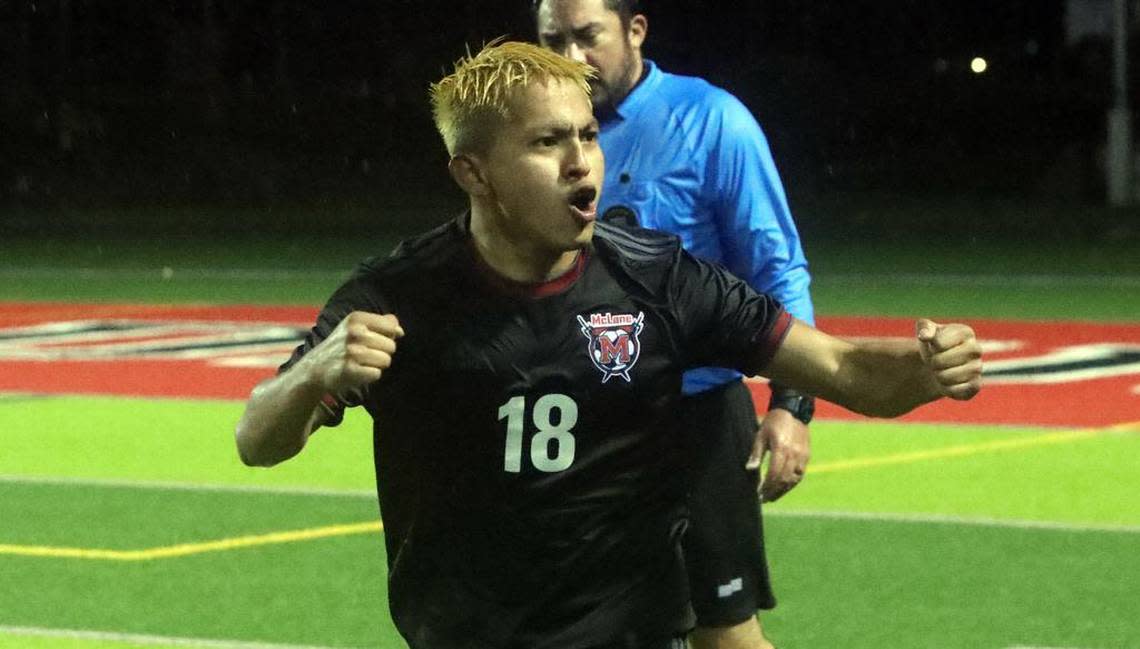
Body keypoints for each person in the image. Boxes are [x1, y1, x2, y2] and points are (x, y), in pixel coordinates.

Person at [234, 40, 983, 649]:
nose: (581, 162)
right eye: (547, 142)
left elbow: (846, 369)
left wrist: (923, 368)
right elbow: (256, 440)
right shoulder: (400, 297)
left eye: (588, 135)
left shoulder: (658, 277)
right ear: (475, 173)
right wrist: (313, 377)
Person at [533, 2, 813, 646]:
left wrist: (792, 405)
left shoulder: (712, 122)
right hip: (579, 425)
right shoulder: (529, 134)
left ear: (635, 31)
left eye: (587, 38)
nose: (571, 59)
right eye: (553, 41)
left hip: (694, 423)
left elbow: (777, 267)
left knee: (725, 633)